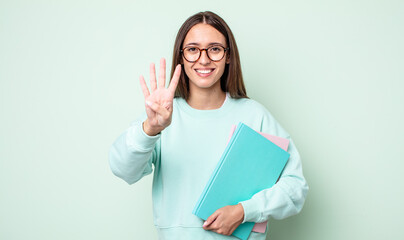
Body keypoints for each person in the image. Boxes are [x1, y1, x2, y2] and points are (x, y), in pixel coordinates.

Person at [109, 11, 308, 240]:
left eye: (214, 49)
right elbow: (123, 169)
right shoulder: (161, 116)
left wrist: (244, 211)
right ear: (181, 57)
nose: (204, 60)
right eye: (193, 49)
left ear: (228, 56)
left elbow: (296, 188)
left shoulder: (255, 115)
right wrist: (150, 129)